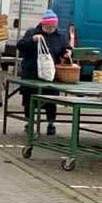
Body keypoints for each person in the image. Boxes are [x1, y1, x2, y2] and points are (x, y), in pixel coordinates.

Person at [17, 9, 73, 137]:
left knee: (50, 100)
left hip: (50, 75)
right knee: (29, 99)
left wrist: (68, 52)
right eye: (49, 27)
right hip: (31, 73)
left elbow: (65, 49)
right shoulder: (32, 32)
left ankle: (50, 123)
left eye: (53, 26)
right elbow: (20, 46)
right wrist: (32, 40)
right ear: (43, 24)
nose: (51, 29)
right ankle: (29, 122)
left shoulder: (60, 36)